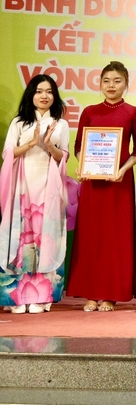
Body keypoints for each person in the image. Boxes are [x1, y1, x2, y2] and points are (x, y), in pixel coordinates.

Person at [68, 62, 136, 312]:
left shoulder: (134, 112)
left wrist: (122, 170)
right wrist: (83, 166)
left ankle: (111, 295)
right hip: (93, 184)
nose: (111, 86)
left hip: (119, 184)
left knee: (115, 239)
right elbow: (79, 146)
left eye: (117, 81)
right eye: (106, 81)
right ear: (100, 83)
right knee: (91, 237)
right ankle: (91, 294)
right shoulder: (90, 111)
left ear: (126, 83)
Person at [0, 75, 70, 314]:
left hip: (49, 188)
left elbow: (63, 157)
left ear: (54, 96)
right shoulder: (19, 122)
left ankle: (42, 296)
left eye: (49, 92)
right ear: (31, 94)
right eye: (39, 91)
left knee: (46, 238)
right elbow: (8, 154)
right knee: (20, 239)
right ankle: (17, 297)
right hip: (22, 186)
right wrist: (30, 143)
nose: (44, 96)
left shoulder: (60, 124)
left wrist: (49, 144)